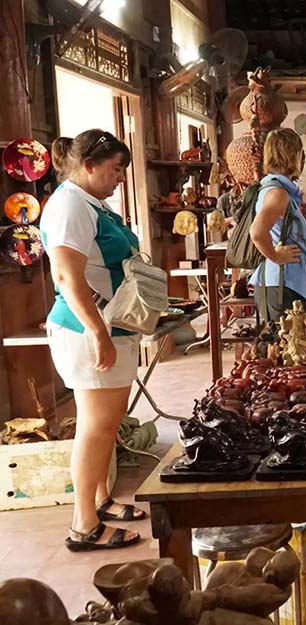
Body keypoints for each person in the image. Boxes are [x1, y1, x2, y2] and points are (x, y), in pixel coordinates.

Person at [40, 129, 144, 551]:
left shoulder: (89, 203)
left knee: (106, 422)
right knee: (96, 426)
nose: (120, 178)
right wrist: (98, 331)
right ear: (89, 166)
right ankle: (84, 524)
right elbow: (66, 275)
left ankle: (101, 500)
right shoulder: (68, 205)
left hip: (110, 325)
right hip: (88, 329)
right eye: (115, 169)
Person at [249, 128, 306, 321]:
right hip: (282, 285)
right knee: (288, 346)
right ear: (293, 155)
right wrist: (276, 256)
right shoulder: (278, 193)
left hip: (286, 284)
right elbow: (257, 232)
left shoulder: (278, 189)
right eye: (301, 154)